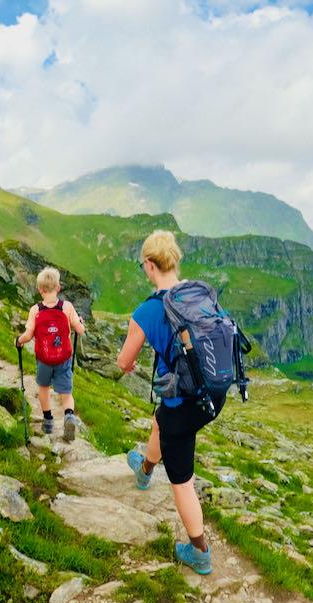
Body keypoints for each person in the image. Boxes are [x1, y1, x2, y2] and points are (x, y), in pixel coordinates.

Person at [117, 230, 225, 575]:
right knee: (160, 420)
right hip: (215, 392)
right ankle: (145, 470)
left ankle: (199, 551)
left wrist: (130, 363)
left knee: (181, 480)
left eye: (143, 266)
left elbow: (123, 362)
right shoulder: (199, 293)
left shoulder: (148, 310)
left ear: (150, 265)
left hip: (184, 401)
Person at [15, 267, 86, 440]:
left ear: (40, 290)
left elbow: (28, 335)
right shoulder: (67, 307)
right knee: (66, 393)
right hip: (63, 359)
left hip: (44, 359)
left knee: (44, 388)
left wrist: (19, 340)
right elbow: (80, 330)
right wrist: (80, 323)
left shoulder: (35, 310)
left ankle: (48, 421)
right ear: (58, 287)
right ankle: (69, 415)